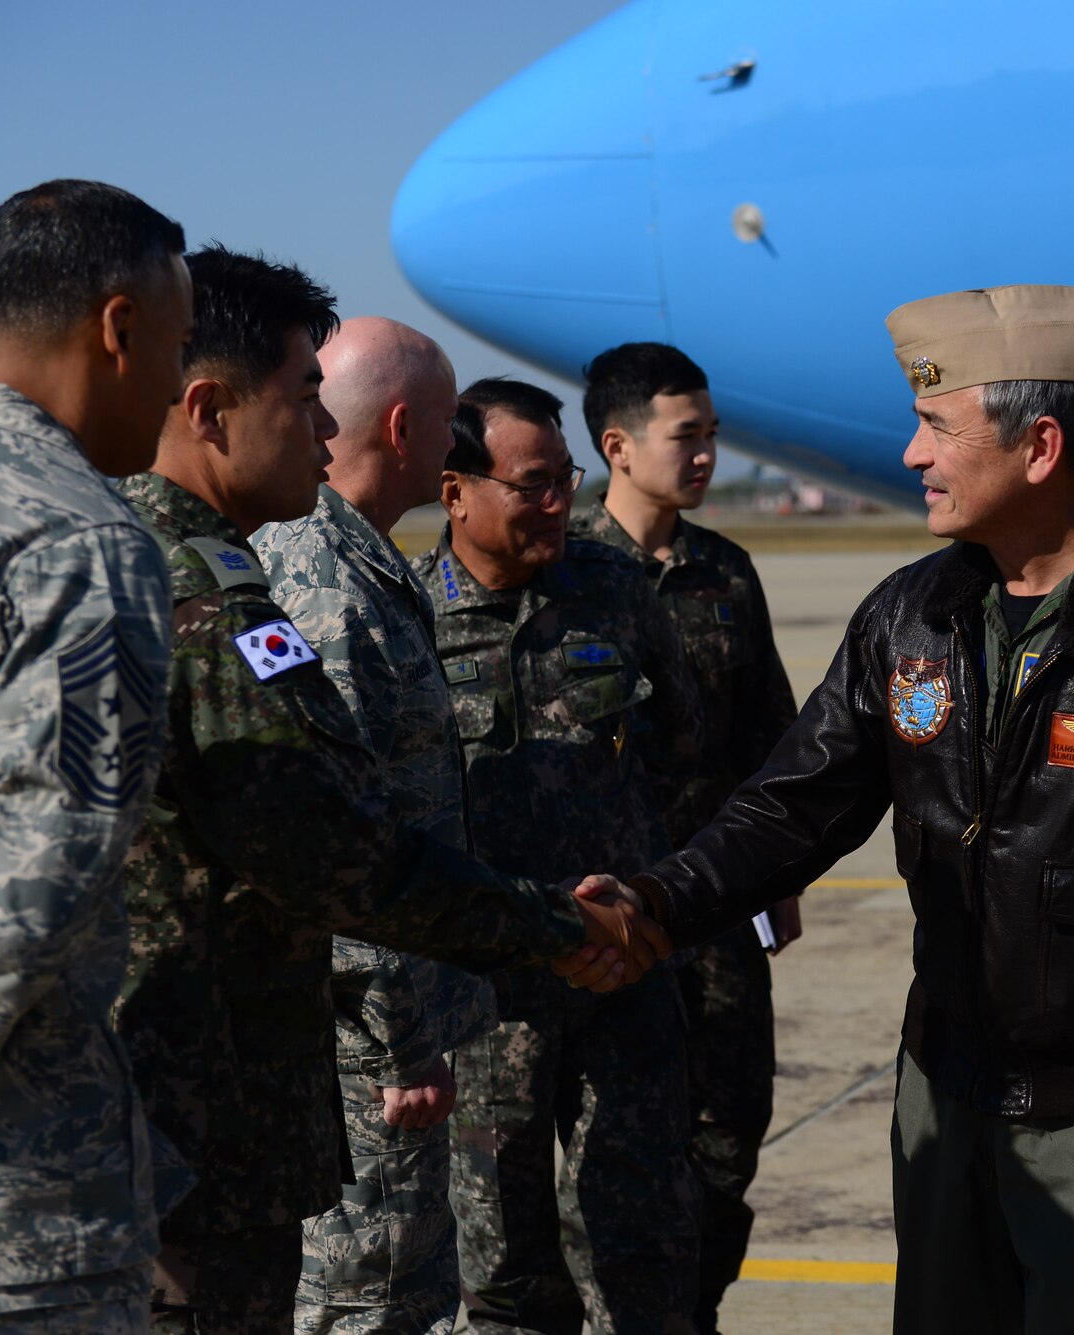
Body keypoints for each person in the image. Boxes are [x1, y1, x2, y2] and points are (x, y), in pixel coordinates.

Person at [576, 284, 1074, 1335]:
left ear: (1040, 447)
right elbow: (791, 807)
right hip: (944, 1094)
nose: (912, 454)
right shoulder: (909, 617)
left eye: (937, 426)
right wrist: (656, 903)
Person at [112, 249, 663, 1335]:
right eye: (301, 399)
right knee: (369, 1305)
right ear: (212, 409)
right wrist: (550, 932)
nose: (325, 431)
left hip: (233, 1093)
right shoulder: (221, 591)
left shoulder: (213, 570)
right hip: (216, 1105)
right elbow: (338, 854)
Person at [0, 179, 190, 1335]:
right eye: (175, 346)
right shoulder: (77, 539)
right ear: (118, 327)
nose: (176, 385)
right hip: (0, 1231)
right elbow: (31, 902)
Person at [419, 379, 706, 1335]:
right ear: (456, 491)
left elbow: (684, 752)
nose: (557, 504)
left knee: (644, 1249)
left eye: (564, 480)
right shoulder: (410, 616)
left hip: (621, 979)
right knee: (503, 1271)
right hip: (486, 1002)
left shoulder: (615, 590)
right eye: (531, 484)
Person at [253, 316, 494, 1334]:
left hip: (372, 1029)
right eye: (448, 424)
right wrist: (399, 1045)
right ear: (402, 428)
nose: (456, 448)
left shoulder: (353, 561)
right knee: (373, 1300)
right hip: (363, 1051)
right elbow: (337, 840)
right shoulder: (327, 586)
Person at [569, 342, 800, 1335]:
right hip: (608, 913)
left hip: (716, 907)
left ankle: (692, 1311)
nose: (704, 454)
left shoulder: (725, 571)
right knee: (616, 1142)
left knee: (728, 1127)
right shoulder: (569, 569)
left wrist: (779, 877)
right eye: (684, 436)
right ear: (617, 447)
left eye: (710, 434)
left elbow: (772, 739)